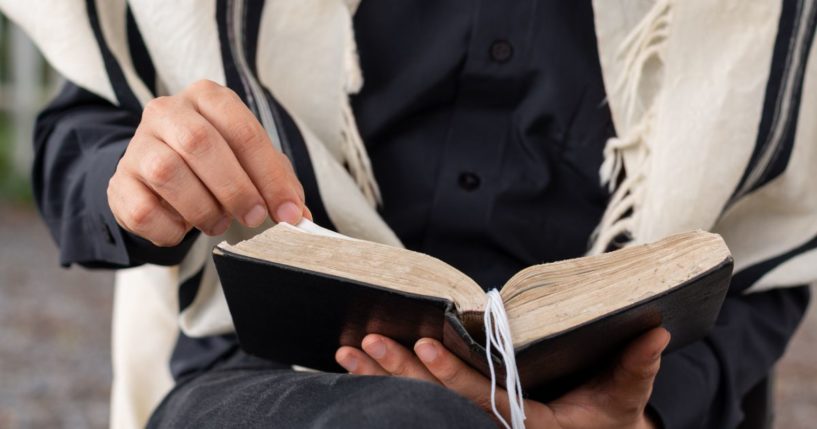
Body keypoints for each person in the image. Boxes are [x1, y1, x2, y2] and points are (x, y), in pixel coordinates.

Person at [9, 0, 815, 428]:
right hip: (271, 386)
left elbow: (774, 235)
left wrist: (651, 415)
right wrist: (141, 183)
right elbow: (88, 127)